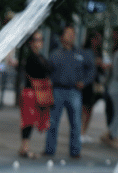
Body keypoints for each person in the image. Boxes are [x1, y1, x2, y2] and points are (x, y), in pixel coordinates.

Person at [44, 25, 91, 159]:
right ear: (62, 37)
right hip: (57, 90)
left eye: (73, 33)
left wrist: (85, 81)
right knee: (53, 121)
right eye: (68, 33)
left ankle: (75, 151)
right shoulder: (55, 54)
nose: (71, 36)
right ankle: (49, 149)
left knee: (76, 122)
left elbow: (91, 69)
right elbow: (48, 71)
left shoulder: (81, 54)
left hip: (74, 91)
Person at [17, 31, 50, 158]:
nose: (40, 42)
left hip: (34, 92)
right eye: (37, 40)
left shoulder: (39, 57)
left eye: (41, 39)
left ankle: (24, 147)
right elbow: (42, 72)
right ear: (31, 43)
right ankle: (25, 147)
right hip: (30, 93)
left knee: (30, 120)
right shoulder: (32, 58)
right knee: (28, 121)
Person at [81, 31, 103, 136]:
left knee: (90, 108)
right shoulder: (86, 52)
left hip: (94, 84)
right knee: (84, 108)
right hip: (86, 83)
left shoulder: (97, 52)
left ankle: (84, 131)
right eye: (97, 39)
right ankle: (81, 130)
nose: (98, 41)